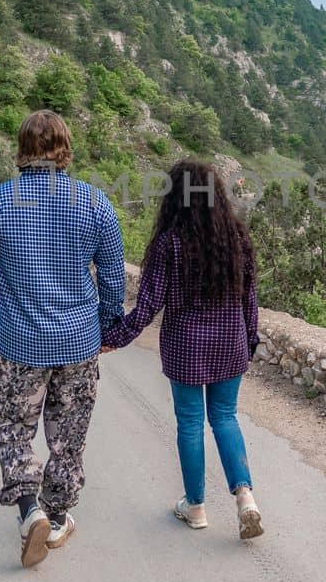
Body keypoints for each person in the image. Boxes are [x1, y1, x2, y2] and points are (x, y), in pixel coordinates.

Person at [0, 110, 125, 569]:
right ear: (66, 148)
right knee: (68, 436)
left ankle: (30, 511)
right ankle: (58, 513)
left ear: (22, 150)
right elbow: (112, 274)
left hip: (19, 345)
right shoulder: (95, 203)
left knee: (12, 426)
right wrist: (109, 324)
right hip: (78, 344)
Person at [101, 159, 263, 539]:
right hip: (229, 343)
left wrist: (114, 338)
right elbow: (249, 301)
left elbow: (147, 306)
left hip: (186, 345)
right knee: (225, 417)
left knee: (190, 423)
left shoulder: (169, 243)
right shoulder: (237, 238)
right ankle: (246, 499)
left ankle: (196, 508)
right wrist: (249, 341)